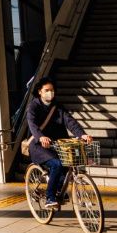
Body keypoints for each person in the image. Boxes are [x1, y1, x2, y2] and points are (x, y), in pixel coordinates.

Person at [26, 77, 91, 210]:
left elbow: (70, 121)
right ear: (40, 92)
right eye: (47, 90)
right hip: (39, 145)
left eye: (52, 90)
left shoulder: (58, 106)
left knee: (69, 163)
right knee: (57, 164)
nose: (50, 93)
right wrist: (41, 137)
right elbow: (33, 125)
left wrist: (82, 134)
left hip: (57, 144)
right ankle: (50, 197)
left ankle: (57, 189)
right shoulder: (34, 106)